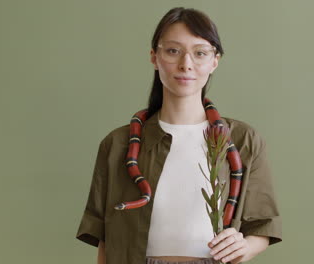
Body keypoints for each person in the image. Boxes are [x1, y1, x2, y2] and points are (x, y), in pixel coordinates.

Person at [75, 7, 282, 264]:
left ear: (214, 61)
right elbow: (106, 239)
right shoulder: (118, 144)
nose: (186, 64)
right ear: (154, 57)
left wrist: (244, 247)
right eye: (173, 51)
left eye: (200, 53)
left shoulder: (242, 140)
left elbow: (263, 227)